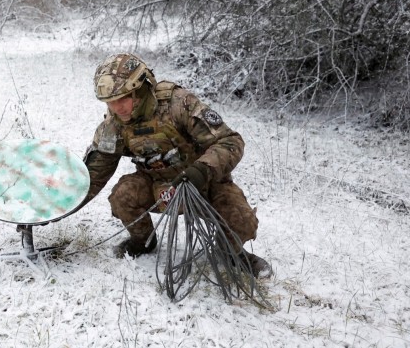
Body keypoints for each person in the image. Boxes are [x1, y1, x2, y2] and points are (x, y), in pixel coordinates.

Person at [79, 53, 272, 278]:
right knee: (123, 195)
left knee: (241, 220)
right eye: (110, 102)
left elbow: (230, 141)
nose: (117, 108)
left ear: (140, 89)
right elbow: (93, 175)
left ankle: (231, 253)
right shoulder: (113, 125)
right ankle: (143, 242)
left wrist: (201, 170)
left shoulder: (178, 104)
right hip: (158, 187)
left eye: (123, 98)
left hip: (204, 183)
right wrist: (54, 209)